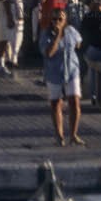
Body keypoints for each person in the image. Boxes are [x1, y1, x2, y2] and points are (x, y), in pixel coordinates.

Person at [39, 8, 84, 146]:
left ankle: (73, 134)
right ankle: (59, 135)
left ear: (65, 20)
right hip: (55, 71)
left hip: (71, 69)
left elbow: (79, 43)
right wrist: (57, 37)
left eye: (60, 19)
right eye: (54, 19)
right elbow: (49, 53)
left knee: (74, 101)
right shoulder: (46, 34)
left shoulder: (71, 31)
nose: (57, 22)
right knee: (56, 103)